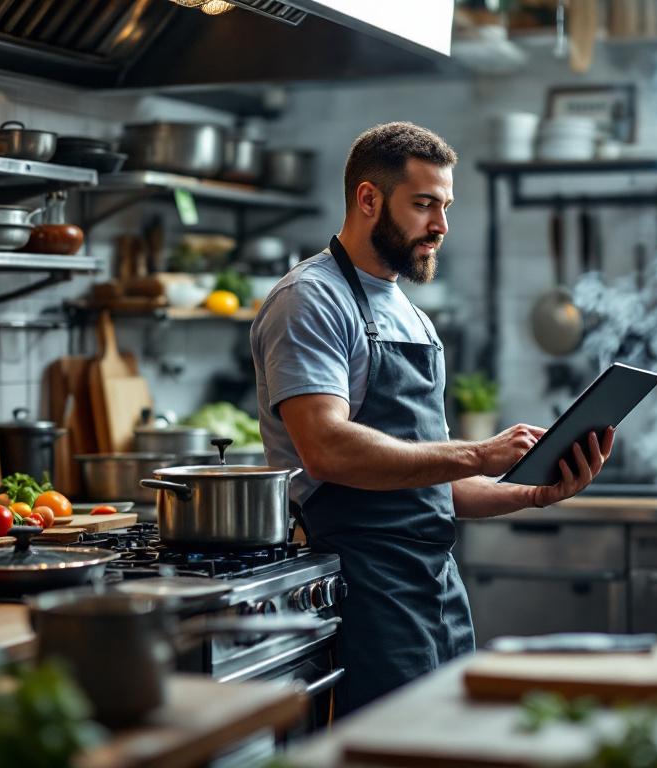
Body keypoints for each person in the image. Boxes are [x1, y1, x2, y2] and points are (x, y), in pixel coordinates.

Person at [251, 121, 614, 715]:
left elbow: (436, 487)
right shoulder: (311, 299)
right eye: (423, 205)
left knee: (445, 740)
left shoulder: (414, 319)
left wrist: (532, 493)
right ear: (368, 199)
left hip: (435, 581)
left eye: (444, 206)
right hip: (361, 581)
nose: (440, 226)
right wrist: (478, 452)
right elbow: (326, 447)